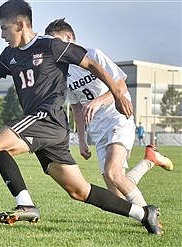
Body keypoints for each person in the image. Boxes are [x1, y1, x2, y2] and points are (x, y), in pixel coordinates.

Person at [0, 0, 162, 235]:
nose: (1, 34)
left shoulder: (51, 46)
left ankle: (26, 205)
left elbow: (91, 62)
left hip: (46, 118)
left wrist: (116, 93)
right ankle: (144, 213)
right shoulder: (9, 54)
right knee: (79, 191)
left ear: (20, 24)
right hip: (50, 129)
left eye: (4, 28)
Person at [45, 18, 173, 205]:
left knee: (113, 173)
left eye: (56, 41)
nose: (53, 47)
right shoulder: (63, 71)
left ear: (69, 37)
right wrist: (81, 139)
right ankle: (150, 159)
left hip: (117, 116)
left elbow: (120, 84)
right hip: (98, 128)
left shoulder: (93, 55)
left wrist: (97, 102)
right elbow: (76, 107)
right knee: (117, 190)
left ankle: (149, 215)